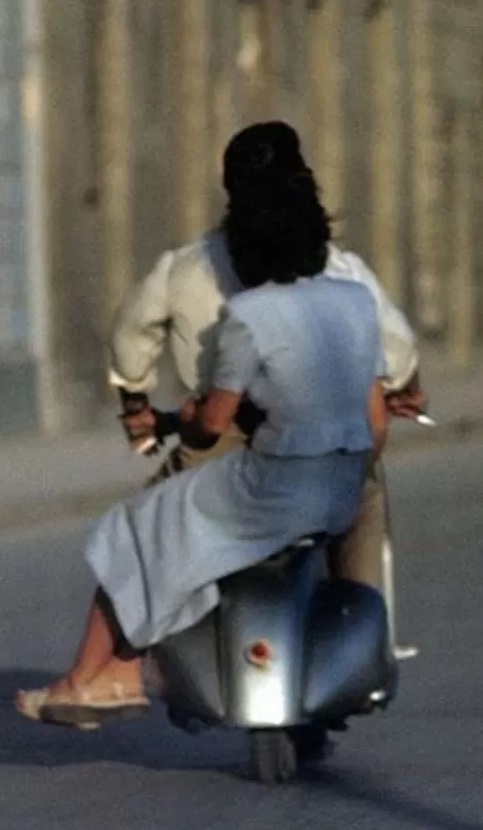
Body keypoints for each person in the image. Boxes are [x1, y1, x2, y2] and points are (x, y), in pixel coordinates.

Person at [15, 130, 390, 722]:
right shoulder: (354, 300)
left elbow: (212, 421)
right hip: (339, 491)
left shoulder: (246, 315)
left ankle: (95, 677)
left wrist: (177, 417)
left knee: (137, 525)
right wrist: (348, 470)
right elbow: (375, 417)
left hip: (275, 491)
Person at [109, 122, 426, 657]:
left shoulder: (187, 266)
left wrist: (136, 402)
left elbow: (133, 332)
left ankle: (126, 657)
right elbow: (392, 347)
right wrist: (403, 387)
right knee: (363, 497)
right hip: (318, 442)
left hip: (220, 437)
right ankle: (367, 632)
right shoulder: (338, 271)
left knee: (149, 525)